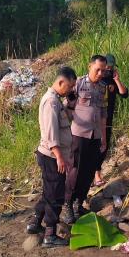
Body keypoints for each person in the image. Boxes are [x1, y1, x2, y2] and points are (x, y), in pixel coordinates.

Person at [26, 67, 77, 247]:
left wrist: (70, 104)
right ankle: (50, 234)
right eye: (69, 86)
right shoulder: (50, 102)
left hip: (53, 155)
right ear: (61, 82)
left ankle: (34, 223)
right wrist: (59, 157)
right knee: (55, 195)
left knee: (49, 191)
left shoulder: (56, 101)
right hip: (52, 155)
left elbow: (64, 122)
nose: (70, 90)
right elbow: (50, 133)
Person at [63, 55, 108, 224]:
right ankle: (67, 204)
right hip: (78, 135)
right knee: (75, 171)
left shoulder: (102, 87)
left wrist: (103, 137)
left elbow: (103, 114)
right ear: (90, 66)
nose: (100, 73)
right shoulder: (79, 84)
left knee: (89, 171)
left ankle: (78, 203)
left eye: (103, 70)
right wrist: (67, 131)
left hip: (95, 136)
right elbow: (67, 108)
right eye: (97, 70)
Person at [94, 54, 128, 186]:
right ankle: (93, 174)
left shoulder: (113, 80)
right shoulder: (95, 80)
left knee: (104, 146)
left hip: (107, 119)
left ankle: (97, 172)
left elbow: (124, 94)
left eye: (110, 68)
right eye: (106, 68)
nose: (107, 71)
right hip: (94, 120)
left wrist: (117, 80)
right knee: (93, 146)